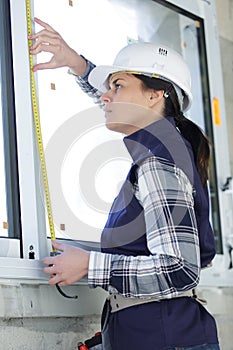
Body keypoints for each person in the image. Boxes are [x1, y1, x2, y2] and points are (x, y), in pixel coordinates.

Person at [30, 18, 220, 350]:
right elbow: (114, 101)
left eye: (118, 85)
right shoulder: (165, 145)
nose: (106, 97)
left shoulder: (160, 160)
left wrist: (90, 264)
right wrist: (78, 65)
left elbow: (180, 268)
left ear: (155, 95)